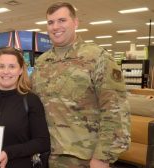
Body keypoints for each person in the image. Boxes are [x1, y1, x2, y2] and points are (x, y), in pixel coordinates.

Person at [31, 2, 130, 168]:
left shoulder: (98, 58)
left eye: (62, 20)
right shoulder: (42, 62)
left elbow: (116, 111)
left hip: (84, 159)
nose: (55, 27)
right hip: (47, 155)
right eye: (50, 22)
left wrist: (103, 158)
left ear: (75, 23)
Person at [0, 47, 50, 168]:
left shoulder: (30, 100)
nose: (6, 71)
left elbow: (42, 142)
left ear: (21, 70)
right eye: (1, 66)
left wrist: (9, 153)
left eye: (12, 66)